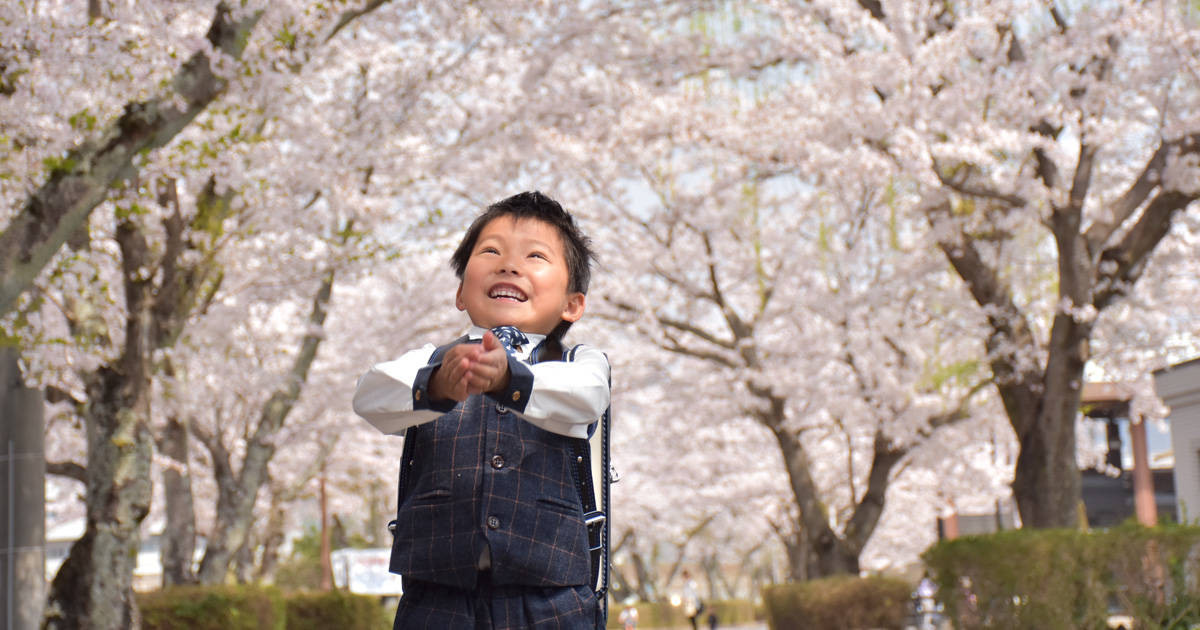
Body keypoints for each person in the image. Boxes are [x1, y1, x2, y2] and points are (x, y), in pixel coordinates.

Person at [353, 191, 609, 629]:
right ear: (459, 292)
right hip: (438, 596)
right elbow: (371, 396)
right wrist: (435, 386)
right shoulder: (432, 359)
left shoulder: (579, 363)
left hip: (553, 596)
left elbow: (587, 396)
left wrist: (512, 381)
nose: (509, 265)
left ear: (572, 304)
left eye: (535, 256)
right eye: (490, 251)